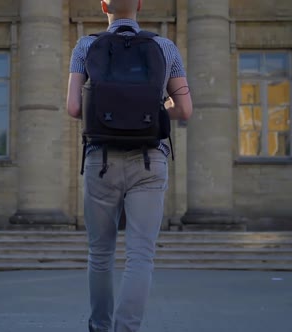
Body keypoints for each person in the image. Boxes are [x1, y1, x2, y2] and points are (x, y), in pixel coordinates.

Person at [66, 1, 193, 331]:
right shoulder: (164, 47)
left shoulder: (86, 45)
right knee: (140, 256)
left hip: (101, 159)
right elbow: (185, 110)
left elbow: (74, 108)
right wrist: (155, 108)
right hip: (150, 161)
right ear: (139, 4)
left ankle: (99, 327)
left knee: (100, 255)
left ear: (103, 5)